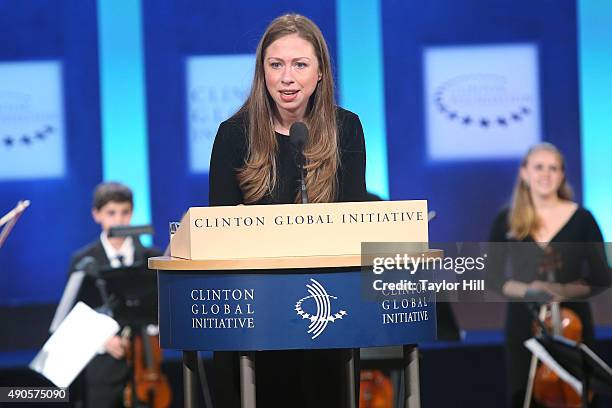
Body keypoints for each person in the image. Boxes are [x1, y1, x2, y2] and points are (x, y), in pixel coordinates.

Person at [208, 13, 367, 407]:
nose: (287, 77)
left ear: (319, 73)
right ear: (262, 73)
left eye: (300, 65)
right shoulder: (234, 135)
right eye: (275, 65)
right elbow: (217, 234)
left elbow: (353, 225)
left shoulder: (346, 130)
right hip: (252, 318)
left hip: (326, 316)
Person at [488, 143, 610, 407]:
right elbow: (492, 277)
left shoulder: (583, 218)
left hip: (572, 323)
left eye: (553, 168)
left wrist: (562, 291)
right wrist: (530, 290)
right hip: (524, 323)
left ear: (562, 175)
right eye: (538, 167)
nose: (546, 174)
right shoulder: (506, 219)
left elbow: (602, 277)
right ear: (524, 173)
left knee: (578, 396)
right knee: (526, 396)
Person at [68, 182, 161, 408]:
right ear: (96, 214)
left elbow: (160, 308)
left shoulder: (152, 257)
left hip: (146, 363)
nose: (118, 220)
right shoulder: (83, 260)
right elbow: (74, 314)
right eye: (111, 213)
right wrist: (102, 339)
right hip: (102, 366)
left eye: (125, 212)